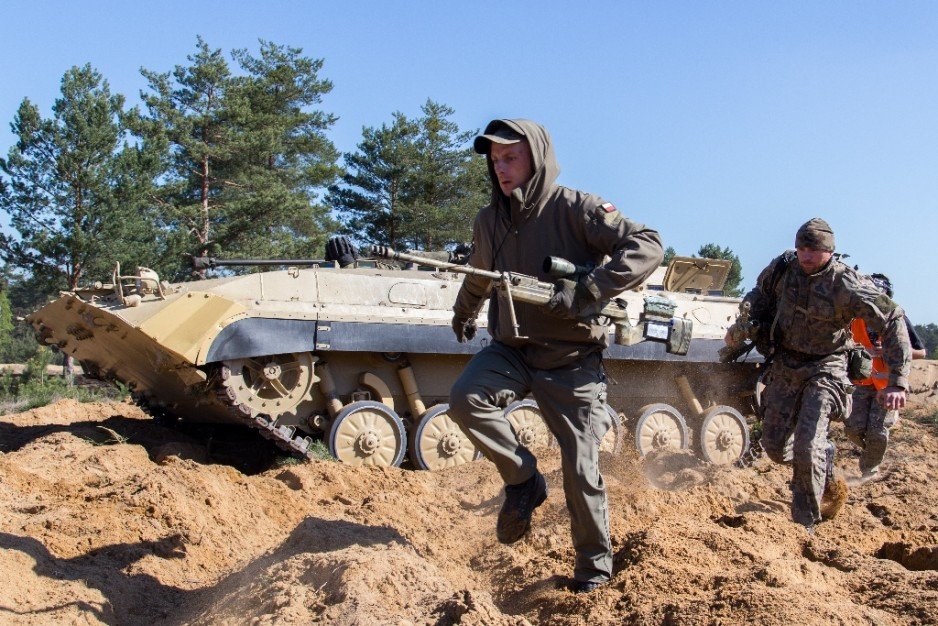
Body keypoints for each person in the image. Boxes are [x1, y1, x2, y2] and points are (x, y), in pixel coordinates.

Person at [447, 119, 663, 593]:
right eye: (495, 159)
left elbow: (647, 244)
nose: (501, 168)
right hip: (513, 348)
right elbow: (480, 274)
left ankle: (593, 572)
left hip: (572, 359)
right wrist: (464, 313)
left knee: (581, 471)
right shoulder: (490, 219)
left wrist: (590, 289)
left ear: (537, 157)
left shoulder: (577, 208)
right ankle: (523, 480)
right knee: (464, 400)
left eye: (511, 157)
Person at [724, 218, 911, 532]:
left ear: (829, 251)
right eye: (802, 248)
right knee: (775, 446)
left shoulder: (847, 283)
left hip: (827, 366)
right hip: (785, 363)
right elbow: (759, 295)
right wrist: (742, 325)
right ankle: (826, 454)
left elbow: (892, 319)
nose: (806, 255)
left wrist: (898, 381)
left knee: (807, 448)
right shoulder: (784, 268)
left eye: (814, 250)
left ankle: (805, 524)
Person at [845, 273, 927, 477]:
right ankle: (872, 450)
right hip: (861, 382)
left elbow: (920, 352)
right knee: (852, 429)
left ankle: (869, 471)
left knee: (878, 431)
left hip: (887, 385)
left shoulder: (897, 318)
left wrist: (887, 352)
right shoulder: (854, 319)